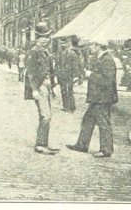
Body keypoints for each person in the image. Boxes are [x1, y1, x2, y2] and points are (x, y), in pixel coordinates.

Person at [67, 40, 118, 158]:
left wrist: (91, 75)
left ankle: (106, 150)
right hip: (97, 98)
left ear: (98, 46)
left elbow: (107, 80)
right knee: (88, 120)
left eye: (92, 45)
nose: (90, 48)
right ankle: (82, 145)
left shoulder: (107, 60)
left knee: (104, 123)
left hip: (102, 98)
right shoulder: (101, 58)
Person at [24, 20, 59, 155]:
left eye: (46, 37)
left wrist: (53, 86)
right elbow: (30, 72)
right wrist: (34, 89)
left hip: (46, 86)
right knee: (46, 116)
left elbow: (50, 71)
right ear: (37, 38)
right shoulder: (35, 51)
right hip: (39, 87)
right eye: (41, 37)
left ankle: (43, 143)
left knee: (45, 116)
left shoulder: (45, 51)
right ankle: (40, 145)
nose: (44, 40)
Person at [56, 37, 80, 112]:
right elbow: (58, 64)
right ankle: (66, 106)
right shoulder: (59, 53)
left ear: (67, 44)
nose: (63, 45)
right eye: (61, 43)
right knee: (63, 90)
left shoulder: (72, 53)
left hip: (69, 75)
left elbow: (76, 65)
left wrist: (76, 76)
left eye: (64, 43)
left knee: (69, 91)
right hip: (61, 75)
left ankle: (72, 107)